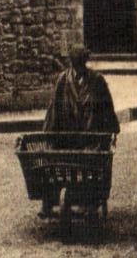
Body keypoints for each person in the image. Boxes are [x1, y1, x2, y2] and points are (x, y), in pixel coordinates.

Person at [39, 45, 119, 218]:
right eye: (76, 65)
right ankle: (49, 200)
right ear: (71, 64)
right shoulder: (63, 80)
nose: (79, 69)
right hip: (68, 139)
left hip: (90, 140)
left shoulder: (97, 81)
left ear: (85, 62)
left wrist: (111, 131)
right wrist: (50, 135)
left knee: (93, 161)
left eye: (81, 64)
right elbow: (54, 109)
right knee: (53, 159)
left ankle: (91, 200)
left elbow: (107, 108)